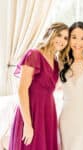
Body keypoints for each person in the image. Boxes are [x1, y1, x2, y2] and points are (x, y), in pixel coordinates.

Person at [9, 22, 69, 150]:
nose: (62, 40)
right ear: (50, 34)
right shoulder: (34, 54)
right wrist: (28, 124)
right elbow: (22, 90)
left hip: (48, 112)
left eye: (66, 38)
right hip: (31, 113)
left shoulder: (56, 62)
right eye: (59, 35)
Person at [59, 21, 83, 150]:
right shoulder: (60, 61)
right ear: (69, 39)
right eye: (74, 37)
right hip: (67, 116)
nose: (78, 42)